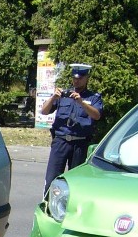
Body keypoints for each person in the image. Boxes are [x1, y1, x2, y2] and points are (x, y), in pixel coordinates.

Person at [41, 63, 103, 193]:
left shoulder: (93, 97)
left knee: (76, 180)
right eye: (74, 78)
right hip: (61, 142)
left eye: (80, 78)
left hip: (80, 143)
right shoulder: (63, 95)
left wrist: (81, 102)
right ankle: (47, 205)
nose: (76, 80)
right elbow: (44, 111)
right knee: (52, 177)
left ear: (86, 78)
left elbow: (96, 116)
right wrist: (53, 97)